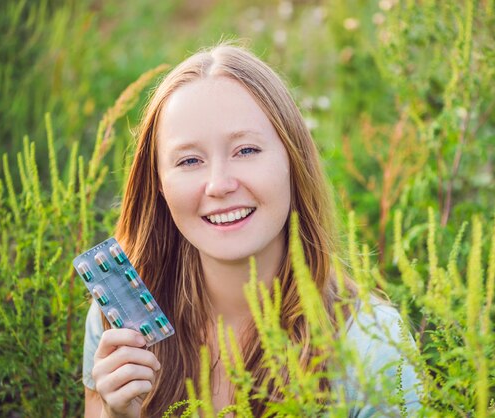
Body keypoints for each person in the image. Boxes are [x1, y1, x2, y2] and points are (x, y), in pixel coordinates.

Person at [83, 43, 421, 417]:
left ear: (294, 159)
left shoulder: (372, 344)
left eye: (245, 150)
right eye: (190, 160)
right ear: (159, 183)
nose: (219, 184)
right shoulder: (121, 321)